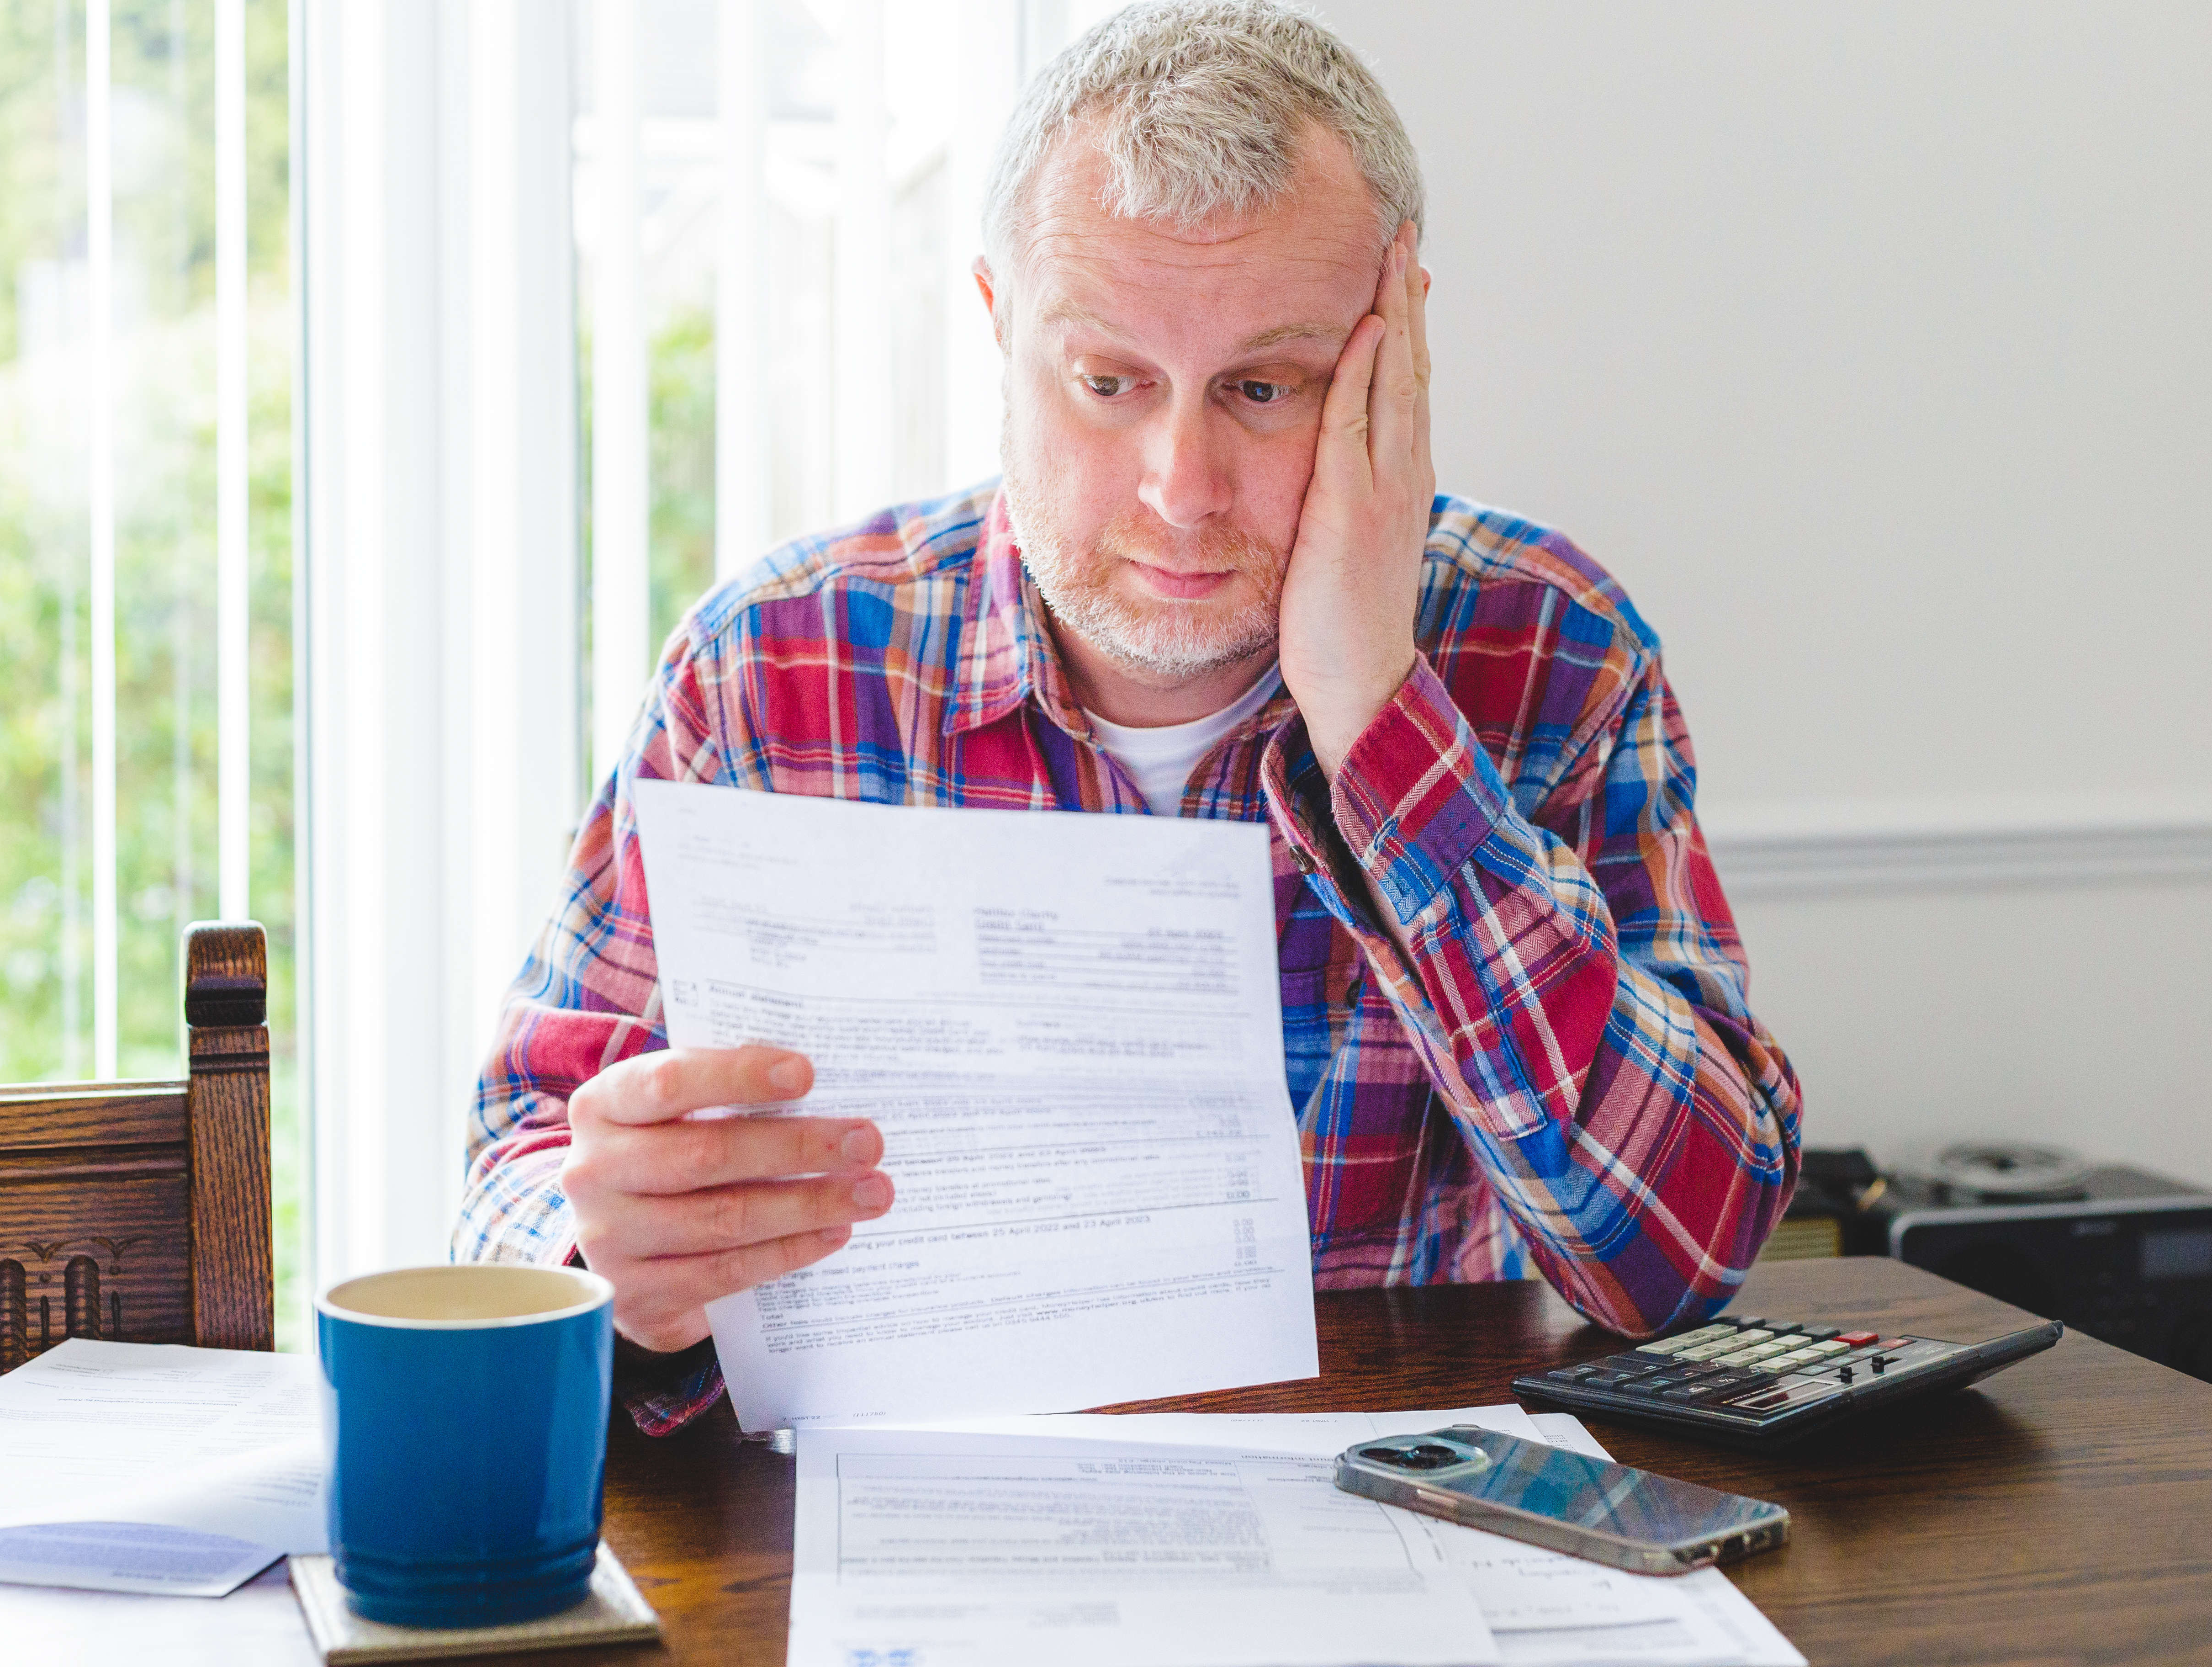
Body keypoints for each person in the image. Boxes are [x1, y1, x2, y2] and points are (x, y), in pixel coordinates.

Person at [455, 0, 1801, 1433]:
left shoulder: (1550, 651)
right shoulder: (772, 668)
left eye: (1264, 388)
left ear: (1388, 364)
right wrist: (602, 1252)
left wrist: (1379, 717)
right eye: (1109, 384)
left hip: (1387, 1530)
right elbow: (515, 1174)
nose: (1182, 485)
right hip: (888, 1541)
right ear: (999, 330)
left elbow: (1683, 1259)